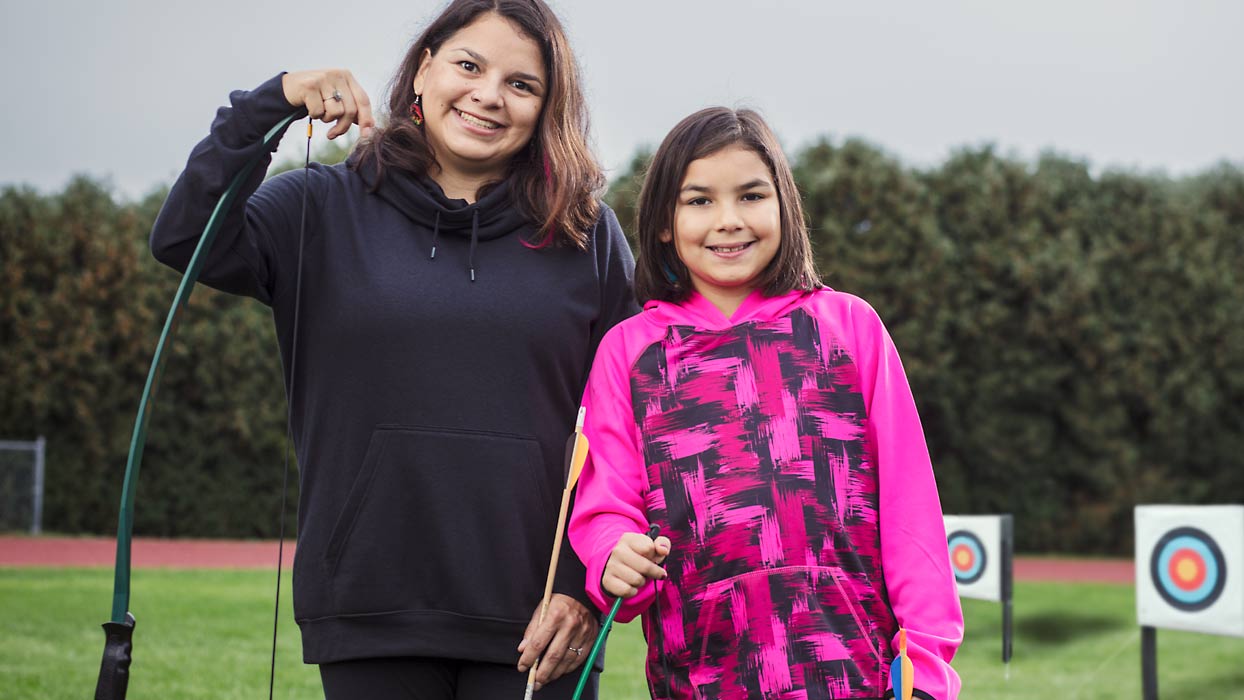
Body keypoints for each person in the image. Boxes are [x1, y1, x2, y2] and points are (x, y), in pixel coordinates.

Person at [149, 1, 637, 698]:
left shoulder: (587, 236)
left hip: (540, 621)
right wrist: (271, 101)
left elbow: (626, 428)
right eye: (469, 65)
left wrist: (582, 591)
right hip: (369, 606)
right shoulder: (317, 208)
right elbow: (180, 238)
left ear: (545, 109)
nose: (489, 96)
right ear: (425, 67)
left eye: (522, 84)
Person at [568, 107, 963, 699]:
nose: (728, 220)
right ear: (663, 225)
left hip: (857, 677)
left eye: (751, 195)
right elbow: (605, 504)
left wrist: (926, 672)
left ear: (784, 207)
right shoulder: (628, 351)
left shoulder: (849, 326)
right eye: (699, 200)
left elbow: (911, 513)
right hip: (697, 680)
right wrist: (610, 554)